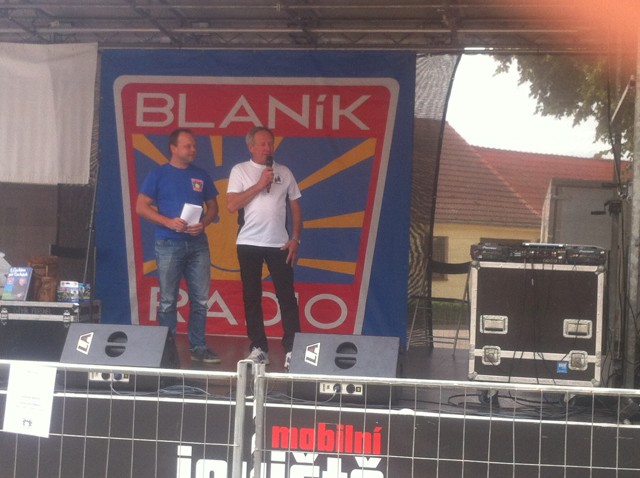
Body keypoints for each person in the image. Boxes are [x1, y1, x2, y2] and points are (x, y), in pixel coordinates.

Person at [136, 128, 221, 364]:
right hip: (168, 242)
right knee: (167, 300)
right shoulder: (158, 174)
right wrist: (168, 222)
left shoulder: (201, 175)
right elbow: (141, 206)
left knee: (200, 299)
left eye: (194, 146)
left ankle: (198, 347)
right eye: (187, 146)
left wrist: (203, 223)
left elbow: (214, 207)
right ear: (173, 148)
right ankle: (166, 349)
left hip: (197, 243)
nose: (193, 149)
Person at [226, 126, 302, 370]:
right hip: (249, 242)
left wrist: (295, 238)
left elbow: (295, 208)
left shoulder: (285, 172)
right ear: (251, 147)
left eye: (270, 143)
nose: (268, 147)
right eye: (262, 144)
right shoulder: (240, 170)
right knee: (252, 296)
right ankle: (259, 348)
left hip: (279, 242)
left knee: (286, 296)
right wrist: (260, 184)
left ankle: (293, 349)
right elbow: (231, 205)